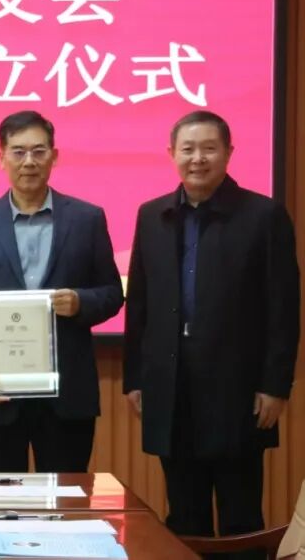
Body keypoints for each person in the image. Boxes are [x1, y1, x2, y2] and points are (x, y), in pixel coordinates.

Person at [124, 110, 299, 547]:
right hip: (171, 385)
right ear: (172, 154)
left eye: (208, 148)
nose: (197, 158)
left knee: (241, 514)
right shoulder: (152, 215)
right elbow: (139, 305)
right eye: (187, 149)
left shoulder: (263, 215)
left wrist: (275, 385)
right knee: (184, 514)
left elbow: (283, 308)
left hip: (239, 389)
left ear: (228, 153)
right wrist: (135, 378)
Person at [0, 110, 123, 472]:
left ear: (54, 156)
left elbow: (112, 292)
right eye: (18, 152)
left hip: (67, 393)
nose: (29, 162)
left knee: (67, 500)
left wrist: (81, 302)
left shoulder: (87, 219)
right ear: (1, 158)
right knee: (2, 500)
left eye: (39, 151)